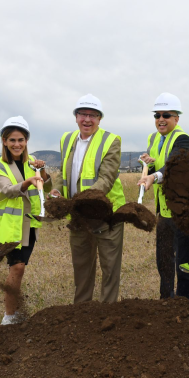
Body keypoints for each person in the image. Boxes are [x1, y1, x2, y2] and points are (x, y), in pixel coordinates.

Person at [49, 94, 126, 303]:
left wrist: (79, 201)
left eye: (93, 115)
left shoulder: (111, 141)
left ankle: (107, 314)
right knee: (81, 268)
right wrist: (57, 191)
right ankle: (82, 312)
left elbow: (106, 179)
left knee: (109, 268)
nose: (87, 119)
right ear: (75, 117)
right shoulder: (67, 139)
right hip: (78, 217)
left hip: (107, 215)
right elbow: (63, 173)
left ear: (100, 119)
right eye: (83, 114)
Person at [0, 116, 51, 325]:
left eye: (21, 139)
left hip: (29, 225)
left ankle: (16, 313)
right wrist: (27, 182)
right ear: (4, 141)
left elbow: (46, 188)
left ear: (26, 141)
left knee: (20, 267)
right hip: (10, 227)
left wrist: (42, 173)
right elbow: (6, 190)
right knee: (17, 267)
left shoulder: (31, 165)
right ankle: (9, 316)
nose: (17, 144)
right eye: (12, 140)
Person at [137, 93, 189, 299]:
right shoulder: (153, 138)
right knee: (163, 258)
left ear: (176, 118)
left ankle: (183, 301)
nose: (160, 119)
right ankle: (166, 299)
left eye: (166, 115)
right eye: (157, 115)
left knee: (184, 261)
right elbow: (158, 164)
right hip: (163, 210)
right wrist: (148, 163)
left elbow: (175, 165)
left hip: (182, 211)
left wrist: (154, 175)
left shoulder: (183, 138)